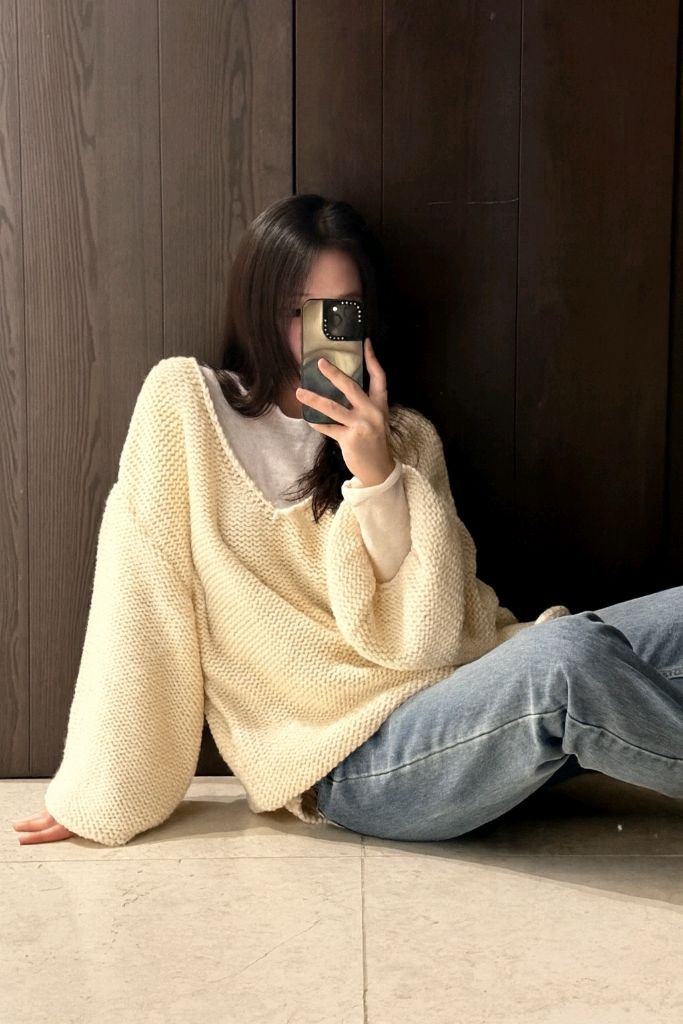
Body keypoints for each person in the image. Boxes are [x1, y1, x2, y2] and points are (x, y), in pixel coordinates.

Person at [12, 194, 683, 847]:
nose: (318, 333)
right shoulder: (185, 405)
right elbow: (140, 600)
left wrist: (375, 472)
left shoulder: (406, 438)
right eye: (294, 310)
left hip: (465, 696)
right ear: (254, 306)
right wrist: (100, 790)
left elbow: (430, 635)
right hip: (354, 763)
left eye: (340, 312)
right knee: (569, 660)